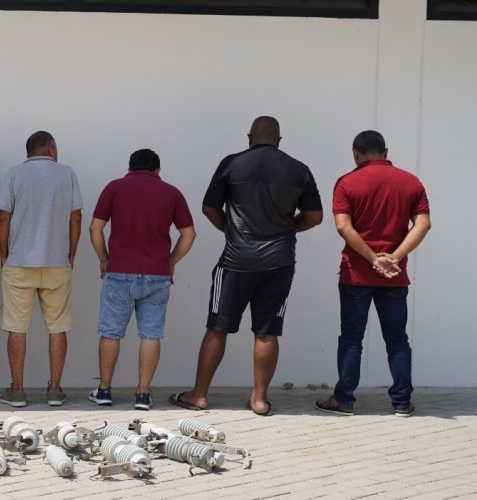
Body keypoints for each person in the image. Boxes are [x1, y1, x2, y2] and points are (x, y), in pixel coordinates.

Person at [170, 116, 323, 416]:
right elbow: (315, 216)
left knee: (217, 328)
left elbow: (209, 207)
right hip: (279, 262)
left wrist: (230, 229)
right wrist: (287, 229)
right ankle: (260, 400)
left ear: (249, 136)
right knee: (267, 332)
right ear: (279, 140)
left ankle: (199, 395)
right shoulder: (298, 169)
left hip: (236, 261)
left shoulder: (232, 164)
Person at [315, 131, 431, 418]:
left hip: (356, 274)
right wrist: (395, 257)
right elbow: (423, 224)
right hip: (394, 275)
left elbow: (343, 226)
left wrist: (370, 257)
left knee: (352, 338)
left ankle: (343, 400)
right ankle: (402, 402)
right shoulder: (411, 182)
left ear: (355, 153)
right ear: (386, 151)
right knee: (397, 339)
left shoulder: (346, 183)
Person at [89, 149, 196, 410]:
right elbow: (189, 234)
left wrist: (104, 258)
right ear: (157, 169)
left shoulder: (114, 188)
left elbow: (95, 227)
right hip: (156, 276)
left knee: (111, 333)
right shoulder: (172, 193)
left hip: (120, 273)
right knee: (150, 334)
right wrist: (170, 262)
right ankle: (143, 395)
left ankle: (104, 390)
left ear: (129, 167)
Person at [0, 131, 82, 408]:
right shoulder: (67, 174)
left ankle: (17, 391)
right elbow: (76, 215)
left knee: (16, 327)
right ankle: (55, 390)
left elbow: (3, 215)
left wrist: (4, 253)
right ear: (51, 147)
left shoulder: (15, 174)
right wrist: (70, 252)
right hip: (57, 262)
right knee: (57, 327)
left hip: (19, 261)